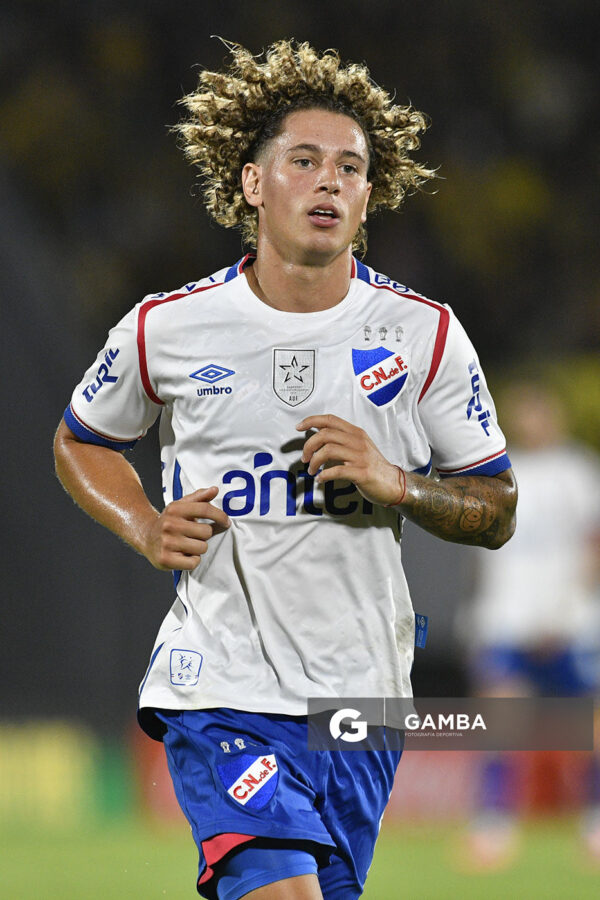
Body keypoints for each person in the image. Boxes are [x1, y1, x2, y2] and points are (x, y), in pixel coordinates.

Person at [54, 39, 517, 900]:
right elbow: (80, 438)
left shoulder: (426, 335)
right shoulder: (169, 327)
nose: (330, 181)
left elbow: (497, 507)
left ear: (370, 194)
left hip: (361, 706)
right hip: (221, 680)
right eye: (304, 161)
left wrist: (398, 483)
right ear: (251, 182)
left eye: (350, 167)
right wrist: (143, 524)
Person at [457, 381, 600, 868]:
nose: (532, 421)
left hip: (570, 623)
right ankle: (493, 826)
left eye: (541, 411)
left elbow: (591, 548)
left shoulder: (577, 471)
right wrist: (480, 612)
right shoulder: (499, 472)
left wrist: (568, 611)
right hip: (506, 622)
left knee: (589, 728)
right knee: (501, 724)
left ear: (554, 416)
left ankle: (594, 823)